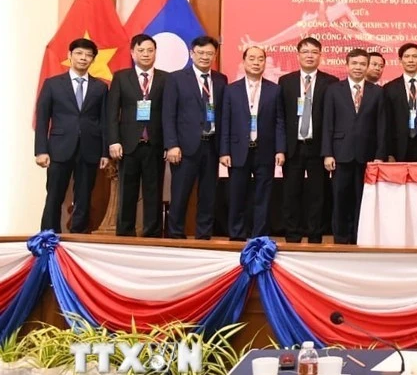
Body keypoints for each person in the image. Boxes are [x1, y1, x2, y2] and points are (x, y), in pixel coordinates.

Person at [35, 38, 110, 233]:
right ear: (69, 56)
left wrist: (104, 152)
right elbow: (42, 119)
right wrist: (41, 150)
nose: (83, 58)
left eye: (88, 55)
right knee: (54, 195)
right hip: (59, 148)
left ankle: (79, 237)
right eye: (79, 53)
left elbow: (104, 121)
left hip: (90, 149)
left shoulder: (100, 87)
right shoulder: (52, 84)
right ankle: (47, 237)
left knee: (84, 196)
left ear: (93, 59)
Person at [163, 35, 227, 240]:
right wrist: (171, 144)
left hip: (212, 145)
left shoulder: (220, 79)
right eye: (201, 53)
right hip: (184, 147)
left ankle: (204, 236)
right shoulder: (176, 78)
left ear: (215, 55)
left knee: (208, 195)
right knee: (180, 194)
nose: (205, 57)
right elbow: (168, 114)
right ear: (192, 54)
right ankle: (175, 234)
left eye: (209, 53)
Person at [321, 49, 388, 244]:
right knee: (341, 198)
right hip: (340, 154)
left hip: (367, 155)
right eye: (354, 63)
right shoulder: (334, 90)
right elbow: (327, 123)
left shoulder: (377, 92)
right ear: (347, 65)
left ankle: (360, 237)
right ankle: (341, 238)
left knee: (363, 200)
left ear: (367, 66)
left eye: (362, 64)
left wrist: (380, 155)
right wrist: (327, 153)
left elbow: (381, 126)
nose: (358, 67)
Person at [220, 46, 285, 240]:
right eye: (252, 59)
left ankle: (259, 236)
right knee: (237, 195)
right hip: (238, 149)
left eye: (260, 59)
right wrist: (224, 151)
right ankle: (236, 234)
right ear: (244, 61)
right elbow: (225, 121)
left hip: (265, 149)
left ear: (265, 63)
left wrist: (280, 150)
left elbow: (279, 121)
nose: (256, 63)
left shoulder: (275, 90)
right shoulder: (231, 90)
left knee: (262, 196)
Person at [278, 37, 338, 244]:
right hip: (293, 147)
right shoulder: (285, 81)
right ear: (298, 55)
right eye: (306, 52)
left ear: (321, 56)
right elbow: (281, 117)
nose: (310, 55)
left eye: (314, 52)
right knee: (290, 193)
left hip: (318, 147)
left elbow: (332, 119)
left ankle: (315, 236)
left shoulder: (331, 82)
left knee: (317, 195)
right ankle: (292, 235)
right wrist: (281, 148)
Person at [107, 34, 166, 237]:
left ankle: (152, 236)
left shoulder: (165, 78)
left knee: (154, 192)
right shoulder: (121, 77)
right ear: (133, 53)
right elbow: (112, 113)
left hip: (155, 144)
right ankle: (125, 235)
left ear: (156, 53)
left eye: (150, 50)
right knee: (127, 192)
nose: (146, 54)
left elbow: (169, 114)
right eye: (141, 50)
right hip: (128, 145)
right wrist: (114, 140)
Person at [384, 43, 417, 162]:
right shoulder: (389, 88)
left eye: (414, 56)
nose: (411, 60)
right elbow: (386, 123)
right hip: (399, 146)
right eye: (407, 56)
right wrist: (389, 153)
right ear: (400, 60)